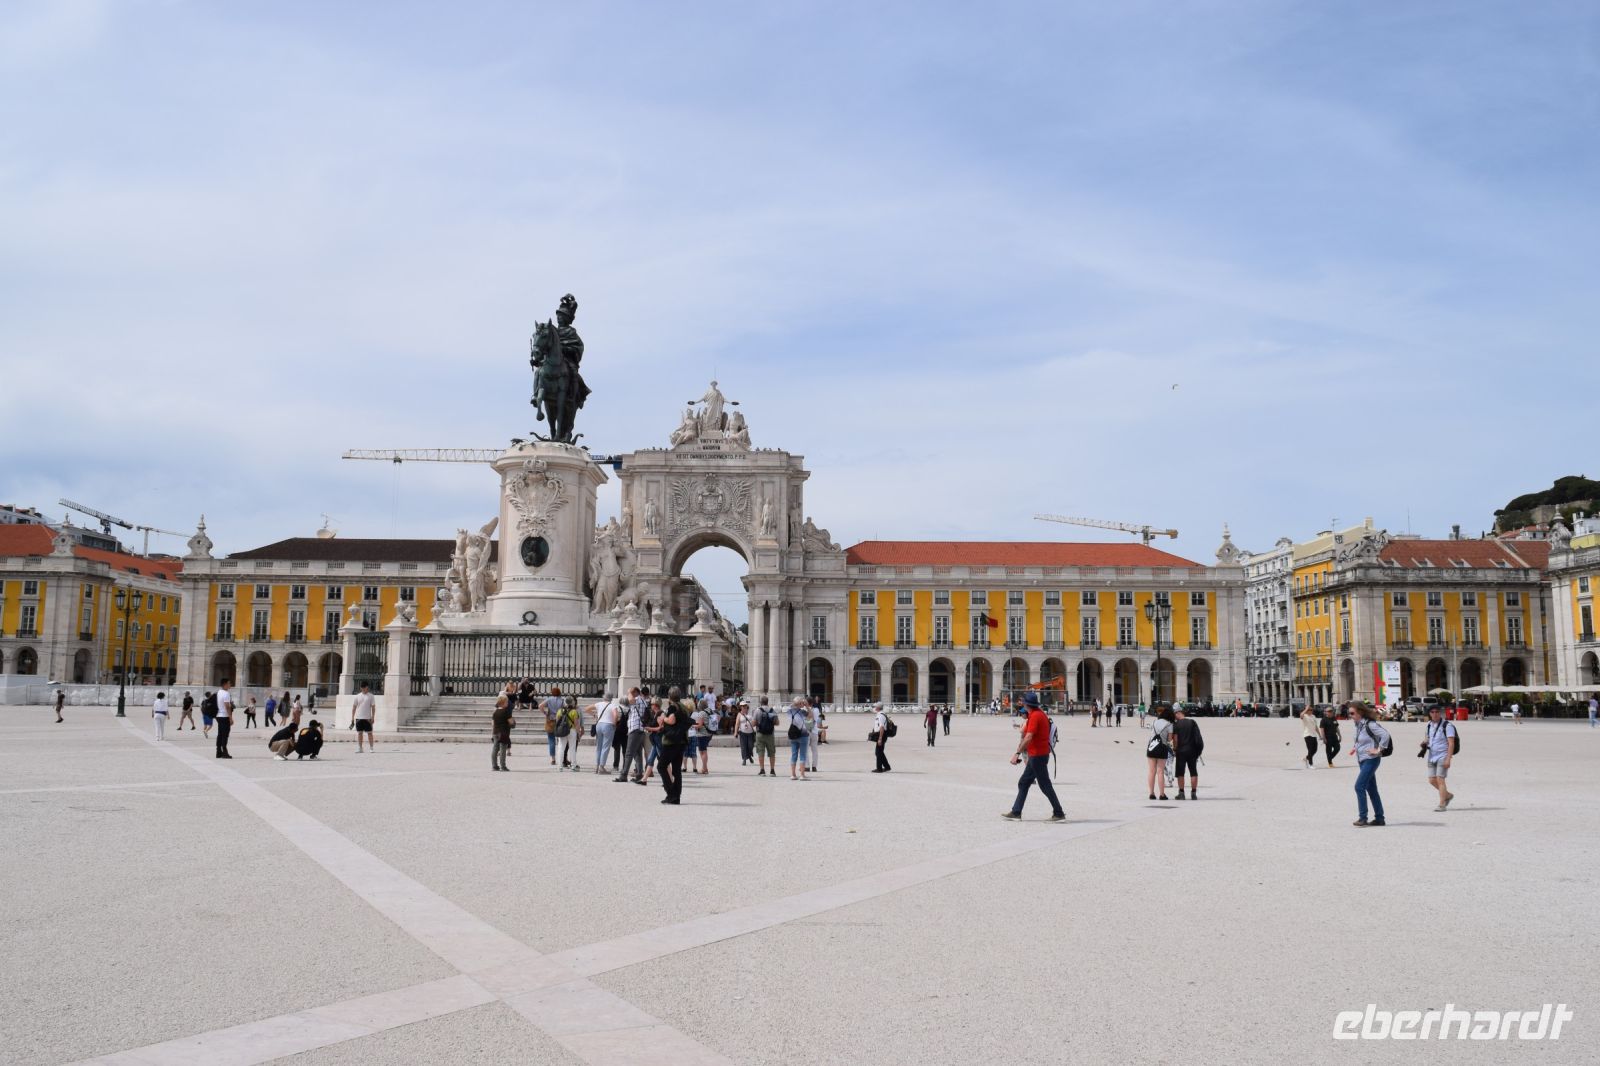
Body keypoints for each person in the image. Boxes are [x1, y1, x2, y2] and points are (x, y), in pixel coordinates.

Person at [1001, 692, 1065, 821]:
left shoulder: (1035, 716)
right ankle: (1016, 812)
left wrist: (1017, 753)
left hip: (1038, 756)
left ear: (1027, 704)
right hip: (1037, 755)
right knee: (1024, 782)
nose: (1021, 703)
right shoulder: (1038, 714)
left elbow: (1029, 736)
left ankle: (1058, 813)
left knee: (1045, 785)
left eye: (1023, 701)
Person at [1347, 702, 1390, 827]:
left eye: (1352, 713)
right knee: (1372, 790)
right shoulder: (1358, 724)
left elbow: (1385, 735)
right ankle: (1379, 818)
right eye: (1349, 713)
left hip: (1371, 759)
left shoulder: (1370, 724)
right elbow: (1361, 739)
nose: (1350, 716)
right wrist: (1355, 747)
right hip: (1362, 760)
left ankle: (1363, 818)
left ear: (1360, 712)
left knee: (1359, 786)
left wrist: (1379, 749)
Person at [658, 686, 692, 804]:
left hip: (671, 741)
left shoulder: (673, 707)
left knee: (661, 766)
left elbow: (671, 720)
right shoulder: (683, 707)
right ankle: (676, 796)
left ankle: (671, 793)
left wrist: (663, 718)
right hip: (682, 741)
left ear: (669, 696)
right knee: (676, 770)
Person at [1423, 704, 1457, 811]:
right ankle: (1447, 795)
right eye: (1432, 712)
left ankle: (1442, 804)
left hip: (1443, 755)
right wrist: (1424, 743)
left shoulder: (1447, 725)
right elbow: (1427, 738)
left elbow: (1451, 743)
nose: (1434, 714)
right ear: (1429, 713)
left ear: (1440, 713)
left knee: (1440, 779)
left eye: (1437, 712)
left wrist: (1448, 758)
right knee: (1432, 780)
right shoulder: (1428, 725)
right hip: (1432, 755)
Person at [1172, 706, 1204, 800]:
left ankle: (1181, 793)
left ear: (1178, 713)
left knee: (1180, 773)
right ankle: (1193, 793)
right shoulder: (1192, 722)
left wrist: (1174, 749)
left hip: (1181, 751)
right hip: (1192, 751)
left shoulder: (1176, 724)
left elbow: (1175, 739)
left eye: (1175, 714)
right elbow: (1198, 736)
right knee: (1193, 772)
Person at [617, 687, 649, 783]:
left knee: (629, 753)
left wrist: (629, 691)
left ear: (635, 692)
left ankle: (623, 775)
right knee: (637, 753)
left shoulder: (638, 699)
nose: (628, 694)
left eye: (631, 692)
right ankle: (639, 774)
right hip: (638, 729)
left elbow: (630, 699)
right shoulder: (641, 701)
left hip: (636, 729)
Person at [1146, 705, 1174, 800]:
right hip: (1162, 747)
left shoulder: (1154, 722)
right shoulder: (1169, 724)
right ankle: (1162, 794)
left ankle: (1151, 793)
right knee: (1160, 771)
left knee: (1151, 771)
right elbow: (1170, 739)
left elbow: (1151, 734)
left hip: (1152, 747)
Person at [594, 694, 619, 774]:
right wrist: (614, 724)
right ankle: (601, 767)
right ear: (611, 698)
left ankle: (597, 766)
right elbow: (616, 715)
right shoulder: (613, 705)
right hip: (608, 725)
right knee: (605, 747)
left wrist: (595, 715)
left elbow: (587, 709)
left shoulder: (599, 704)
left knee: (599, 747)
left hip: (599, 725)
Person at [789, 697, 813, 780]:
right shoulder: (803, 712)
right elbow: (811, 716)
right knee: (802, 755)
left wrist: (797, 703)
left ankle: (793, 774)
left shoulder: (790, 711)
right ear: (800, 704)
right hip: (803, 735)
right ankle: (802, 775)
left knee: (793, 755)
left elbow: (792, 705)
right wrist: (806, 706)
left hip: (793, 734)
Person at [754, 698, 778, 776]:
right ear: (768, 702)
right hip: (770, 734)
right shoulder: (772, 710)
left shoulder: (757, 710)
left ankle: (762, 770)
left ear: (761, 702)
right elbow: (777, 722)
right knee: (772, 752)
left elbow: (754, 723)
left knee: (761, 752)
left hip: (760, 734)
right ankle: (772, 770)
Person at [491, 695, 515, 772]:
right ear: (503, 703)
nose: (507, 703)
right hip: (503, 732)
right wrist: (513, 723)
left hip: (495, 732)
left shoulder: (495, 712)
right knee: (503, 750)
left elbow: (492, 723)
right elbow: (511, 723)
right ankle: (503, 766)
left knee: (495, 749)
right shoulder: (506, 712)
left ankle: (494, 766)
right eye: (506, 701)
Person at [351, 683, 376, 752]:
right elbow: (354, 707)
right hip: (359, 718)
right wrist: (352, 717)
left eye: (366, 688)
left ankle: (371, 748)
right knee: (359, 733)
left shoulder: (371, 696)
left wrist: (373, 717)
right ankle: (360, 748)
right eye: (364, 688)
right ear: (361, 688)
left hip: (367, 718)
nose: (365, 689)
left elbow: (373, 707)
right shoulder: (357, 696)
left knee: (370, 733)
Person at [543, 687, 565, 765]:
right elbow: (565, 709)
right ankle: (561, 758)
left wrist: (545, 713)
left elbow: (540, 705)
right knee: (560, 740)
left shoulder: (549, 699)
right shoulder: (562, 700)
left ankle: (553, 758)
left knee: (551, 740)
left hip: (550, 720)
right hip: (559, 721)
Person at [214, 680, 234, 759]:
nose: (230, 684)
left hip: (219, 716)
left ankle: (218, 752)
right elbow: (227, 706)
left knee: (220, 734)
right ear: (225, 684)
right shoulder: (226, 693)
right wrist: (230, 718)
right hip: (224, 716)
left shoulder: (219, 692)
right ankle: (225, 752)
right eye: (229, 683)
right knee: (225, 735)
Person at [689, 700, 710, 775]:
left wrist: (692, 726)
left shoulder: (701, 713)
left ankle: (704, 768)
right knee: (704, 751)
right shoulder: (709, 711)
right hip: (708, 733)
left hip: (702, 734)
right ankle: (705, 767)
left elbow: (699, 725)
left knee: (702, 752)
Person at [870, 702, 892, 773]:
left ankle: (879, 768)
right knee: (879, 752)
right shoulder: (879, 714)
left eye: (875, 706)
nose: (874, 708)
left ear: (878, 708)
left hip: (881, 735)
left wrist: (880, 738)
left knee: (878, 752)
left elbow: (882, 727)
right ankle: (887, 766)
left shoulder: (881, 715)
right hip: (880, 734)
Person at [735, 699, 755, 766]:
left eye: (744, 706)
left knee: (750, 746)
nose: (743, 707)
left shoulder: (750, 713)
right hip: (742, 732)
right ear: (740, 707)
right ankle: (744, 759)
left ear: (747, 706)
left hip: (750, 733)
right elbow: (737, 724)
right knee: (743, 746)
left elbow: (754, 722)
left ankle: (749, 756)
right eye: (742, 706)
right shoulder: (739, 714)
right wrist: (735, 732)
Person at [807, 699, 822, 772]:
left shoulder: (804, 709)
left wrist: (806, 707)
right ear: (812, 703)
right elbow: (815, 718)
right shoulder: (816, 710)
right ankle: (814, 766)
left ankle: (806, 766)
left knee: (805, 749)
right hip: (814, 731)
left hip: (806, 731)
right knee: (815, 750)